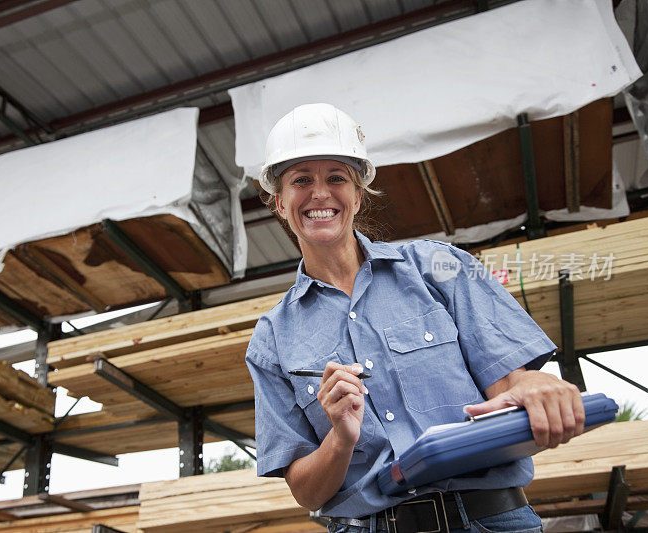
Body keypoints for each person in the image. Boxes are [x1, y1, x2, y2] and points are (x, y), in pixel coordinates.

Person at [244, 103, 585, 533]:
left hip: (489, 519)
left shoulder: (441, 267)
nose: (320, 193)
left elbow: (510, 384)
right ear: (278, 201)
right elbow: (306, 493)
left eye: (336, 178)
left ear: (358, 194)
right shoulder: (272, 339)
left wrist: (535, 384)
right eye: (300, 180)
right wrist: (341, 439)